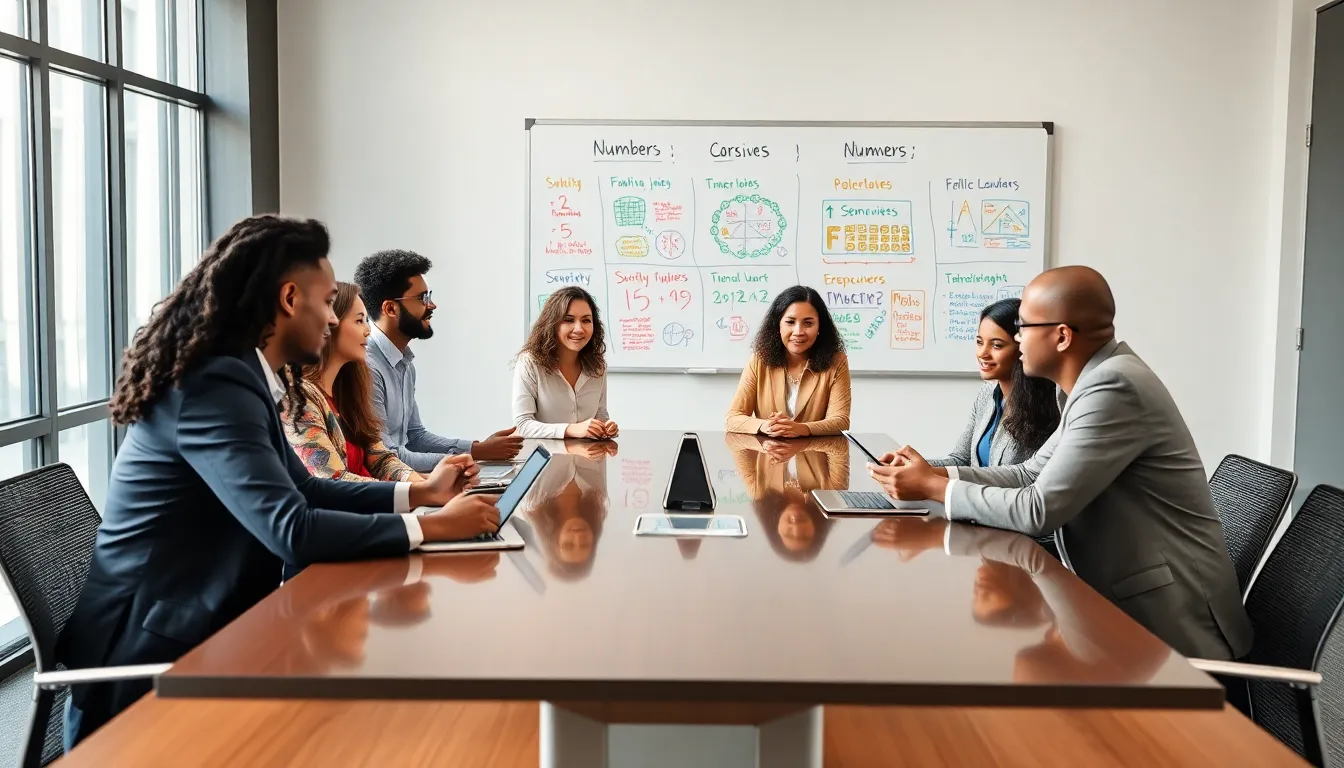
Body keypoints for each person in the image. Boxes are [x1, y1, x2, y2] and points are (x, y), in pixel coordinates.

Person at [56, 215, 503, 747]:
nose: (333, 320)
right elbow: (291, 529)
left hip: (212, 632)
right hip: (147, 669)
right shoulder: (215, 384)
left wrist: (421, 494)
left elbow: (307, 489)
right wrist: (432, 528)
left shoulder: (244, 376)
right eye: (327, 302)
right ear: (290, 299)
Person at [866, 265, 1252, 660]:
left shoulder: (1113, 387)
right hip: (1115, 611)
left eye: (1023, 327)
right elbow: (1029, 473)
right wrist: (933, 474)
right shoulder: (1091, 384)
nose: (1017, 338)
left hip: (1168, 629)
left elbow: (1039, 510)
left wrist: (934, 488)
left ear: (1062, 336)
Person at [354, 249, 523, 471]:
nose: (431, 305)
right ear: (390, 308)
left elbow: (415, 437)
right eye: (422, 298)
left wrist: (477, 448)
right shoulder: (368, 367)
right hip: (389, 485)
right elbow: (387, 457)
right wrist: (465, 460)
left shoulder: (404, 363)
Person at [282, 281, 422, 483]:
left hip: (381, 500)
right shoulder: (298, 398)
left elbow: (382, 460)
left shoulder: (350, 393)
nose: (368, 330)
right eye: (359, 321)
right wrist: (419, 492)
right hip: (361, 503)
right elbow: (334, 480)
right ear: (328, 324)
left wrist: (427, 486)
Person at [927, 298, 1059, 469]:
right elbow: (960, 459)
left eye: (996, 345)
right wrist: (910, 464)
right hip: (969, 487)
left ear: (1024, 347)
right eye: (979, 342)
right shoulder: (987, 394)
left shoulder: (1047, 405)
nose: (982, 353)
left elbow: (1027, 478)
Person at [725, 285, 851, 437]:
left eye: (808, 323)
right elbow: (733, 418)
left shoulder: (836, 361)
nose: (798, 332)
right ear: (778, 324)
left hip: (815, 451)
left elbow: (840, 421)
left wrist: (801, 429)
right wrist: (766, 426)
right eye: (790, 322)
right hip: (769, 450)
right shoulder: (759, 360)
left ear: (820, 327)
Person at [512, 286, 618, 440]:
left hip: (588, 454)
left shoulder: (598, 366)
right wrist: (570, 429)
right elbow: (522, 425)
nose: (579, 329)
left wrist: (606, 427)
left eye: (586, 320)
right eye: (569, 320)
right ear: (552, 323)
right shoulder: (529, 363)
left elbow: (600, 415)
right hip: (545, 455)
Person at [727, 433, 849, 562]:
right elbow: (840, 445)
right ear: (817, 531)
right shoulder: (832, 495)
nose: (796, 527)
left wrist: (768, 442)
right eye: (804, 536)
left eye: (788, 534)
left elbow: (734, 442)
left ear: (776, 530)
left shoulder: (759, 492)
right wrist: (800, 443)